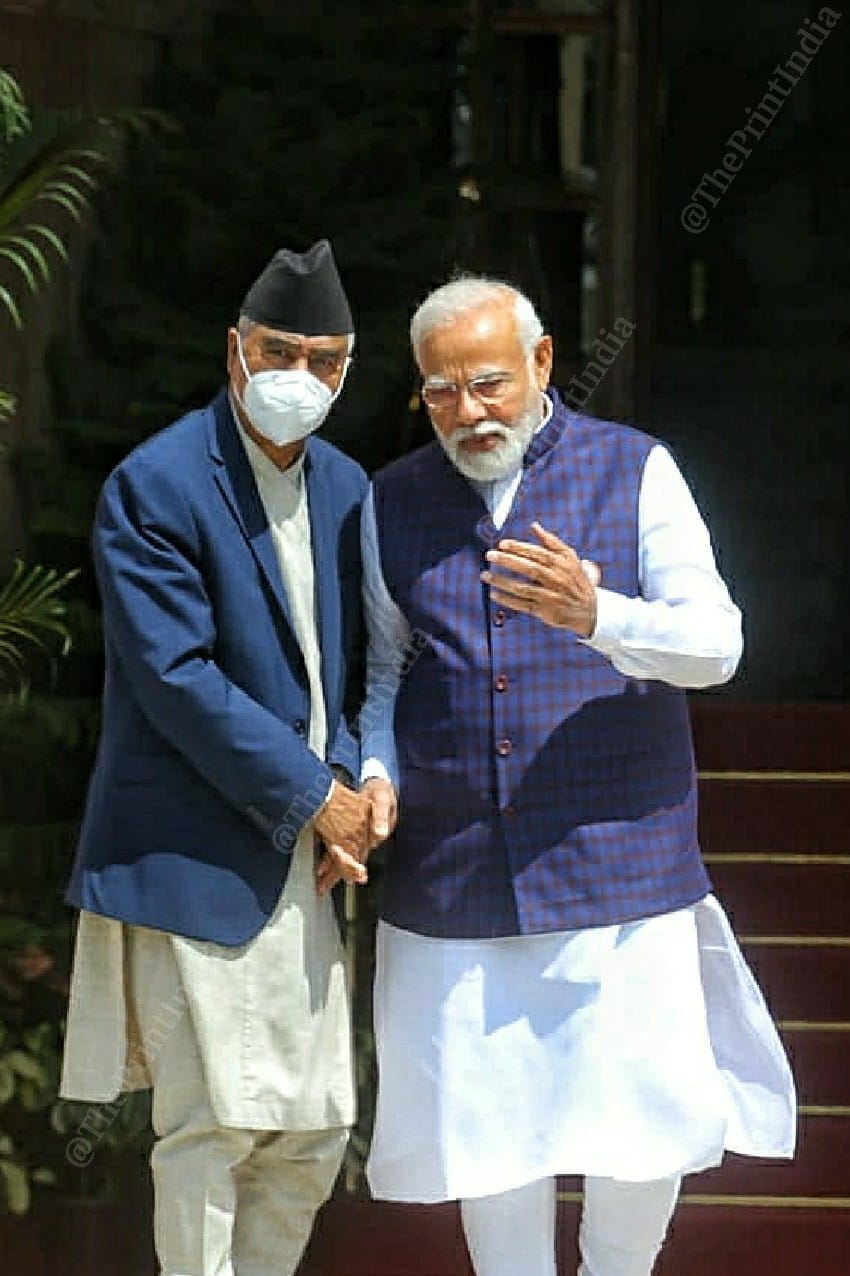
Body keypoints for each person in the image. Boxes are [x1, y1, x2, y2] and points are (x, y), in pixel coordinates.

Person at [358, 276, 796, 1276]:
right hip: (459, 881)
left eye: (488, 384)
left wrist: (600, 616)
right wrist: (378, 772)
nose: (467, 412)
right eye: (441, 392)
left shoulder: (634, 470)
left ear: (543, 362)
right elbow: (384, 672)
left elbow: (717, 646)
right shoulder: (390, 500)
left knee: (642, 1123)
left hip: (620, 873)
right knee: (488, 1139)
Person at [60, 240, 382, 1276]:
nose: (299, 375)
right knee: (212, 1127)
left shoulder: (347, 487)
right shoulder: (155, 482)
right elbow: (178, 679)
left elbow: (364, 665)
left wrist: (358, 784)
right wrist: (314, 795)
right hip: (197, 845)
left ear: (347, 369)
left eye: (323, 360)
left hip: (310, 859)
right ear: (234, 349)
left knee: (315, 1131)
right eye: (278, 351)